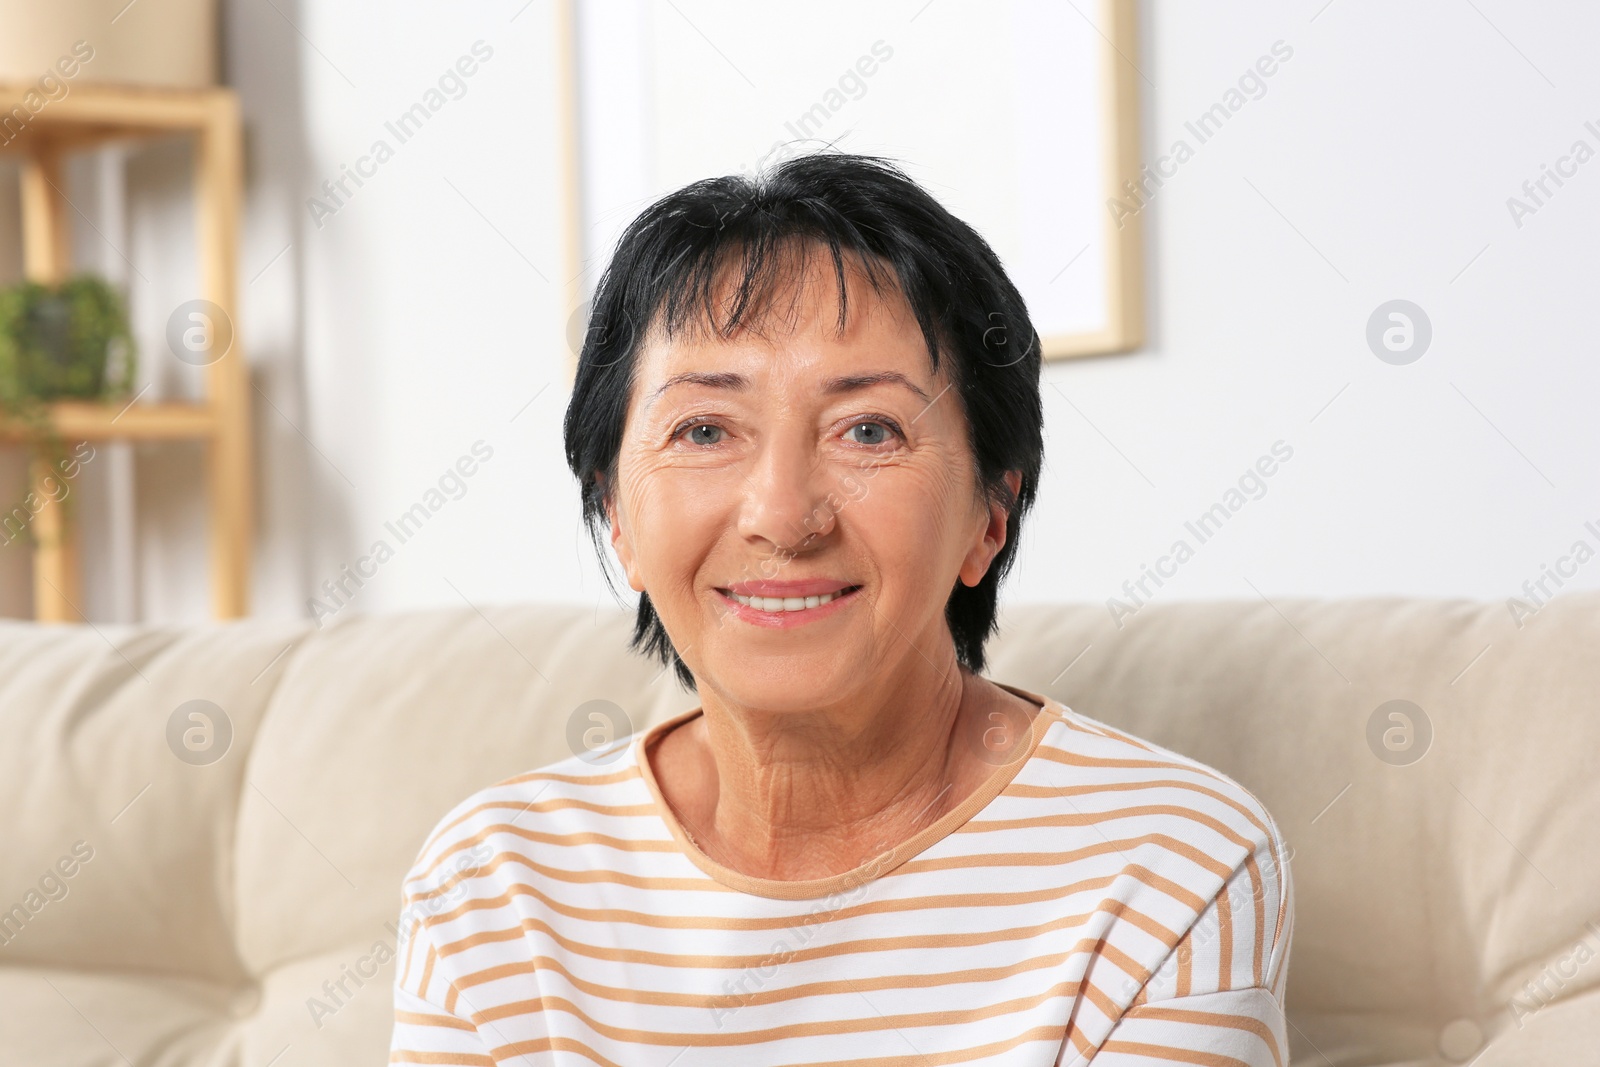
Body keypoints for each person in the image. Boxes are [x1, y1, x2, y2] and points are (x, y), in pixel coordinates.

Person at [389, 152, 1293, 1066]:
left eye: (869, 430)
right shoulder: (492, 887)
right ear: (617, 515)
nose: (783, 516)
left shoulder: (1173, 864)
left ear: (991, 512)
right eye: (704, 430)